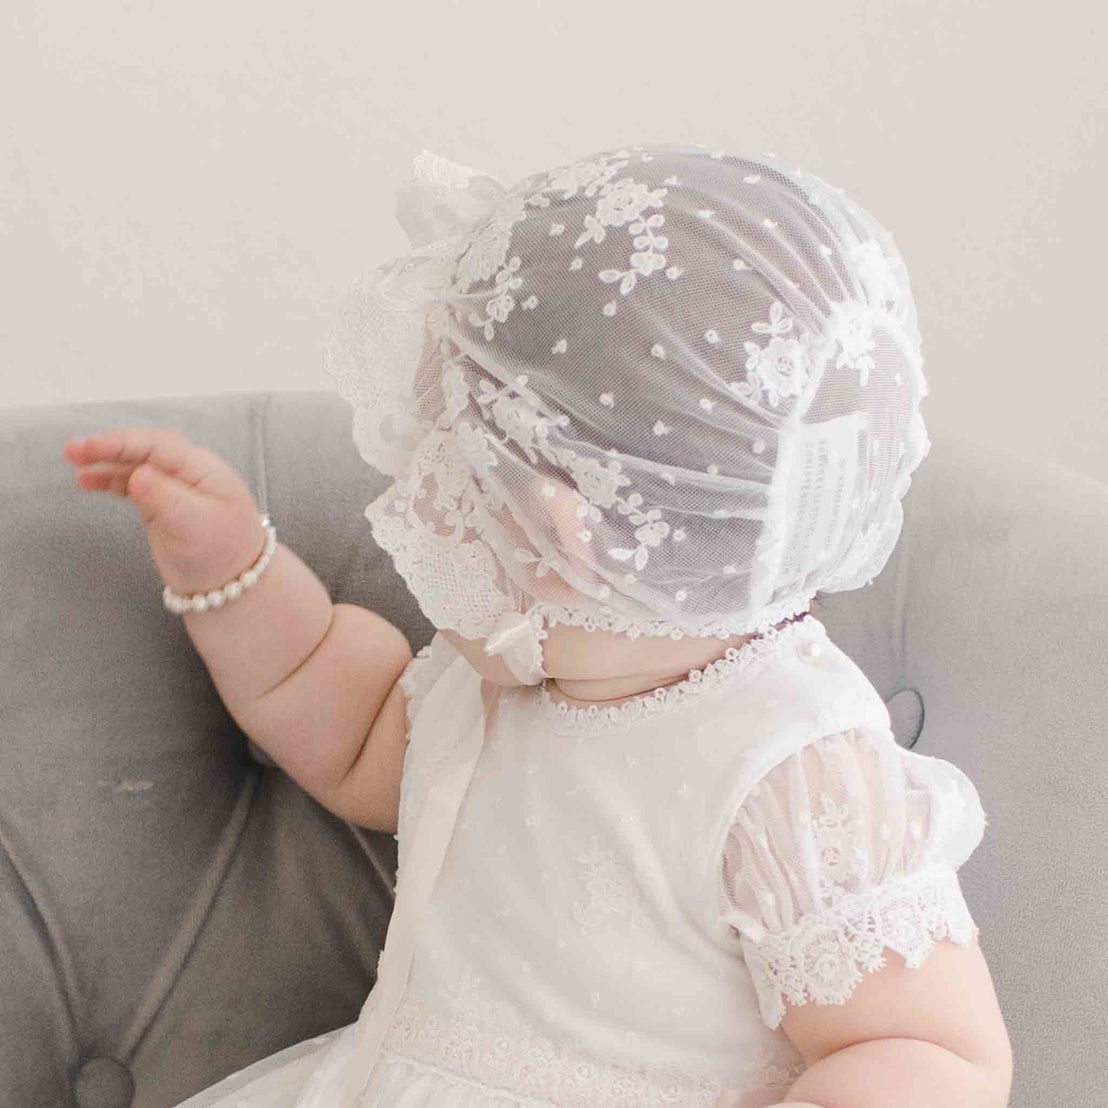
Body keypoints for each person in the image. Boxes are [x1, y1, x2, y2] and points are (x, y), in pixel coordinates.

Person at [63, 142, 1012, 1108]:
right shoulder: (503, 683)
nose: (409, 512)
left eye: (439, 486)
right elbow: (337, 718)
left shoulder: (789, 766)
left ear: (562, 539)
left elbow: (929, 1052)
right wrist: (233, 572)